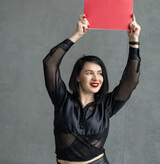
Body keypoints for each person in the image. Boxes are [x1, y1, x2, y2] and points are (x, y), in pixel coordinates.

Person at [42, 13, 141, 164]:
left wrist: (134, 41)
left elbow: (131, 80)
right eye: (89, 73)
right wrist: (77, 35)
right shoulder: (62, 100)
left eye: (99, 73)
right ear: (78, 77)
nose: (96, 78)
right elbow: (50, 63)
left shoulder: (107, 105)